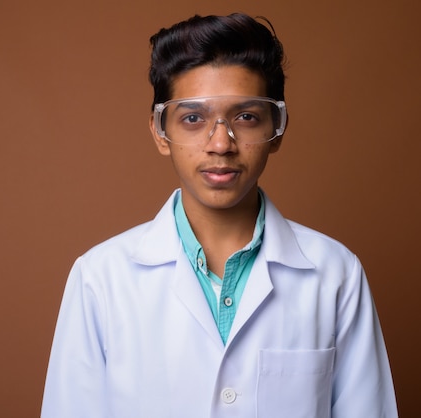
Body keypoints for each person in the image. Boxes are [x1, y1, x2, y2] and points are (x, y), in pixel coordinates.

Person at [41, 13, 398, 418]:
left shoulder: (336, 273)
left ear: (276, 129)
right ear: (161, 132)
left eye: (246, 117)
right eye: (193, 118)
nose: (220, 143)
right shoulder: (100, 278)